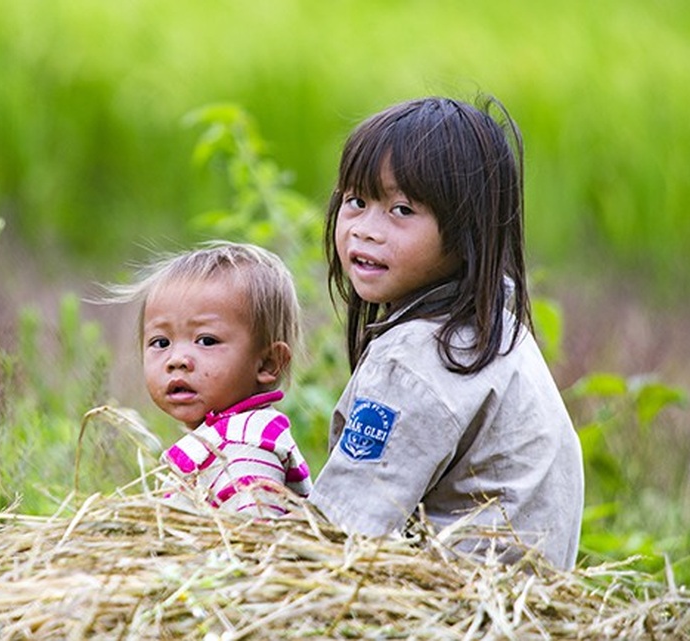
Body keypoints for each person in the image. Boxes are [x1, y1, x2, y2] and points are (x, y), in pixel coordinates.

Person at [309, 96, 584, 570]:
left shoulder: (415, 359)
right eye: (356, 202)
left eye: (401, 210)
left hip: (456, 608)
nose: (365, 230)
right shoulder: (493, 327)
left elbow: (343, 534)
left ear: (466, 232)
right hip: (523, 606)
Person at [113, 241, 312, 516]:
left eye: (206, 340)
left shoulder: (245, 451)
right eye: (160, 342)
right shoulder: (221, 441)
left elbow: (255, 541)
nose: (177, 360)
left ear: (267, 363)